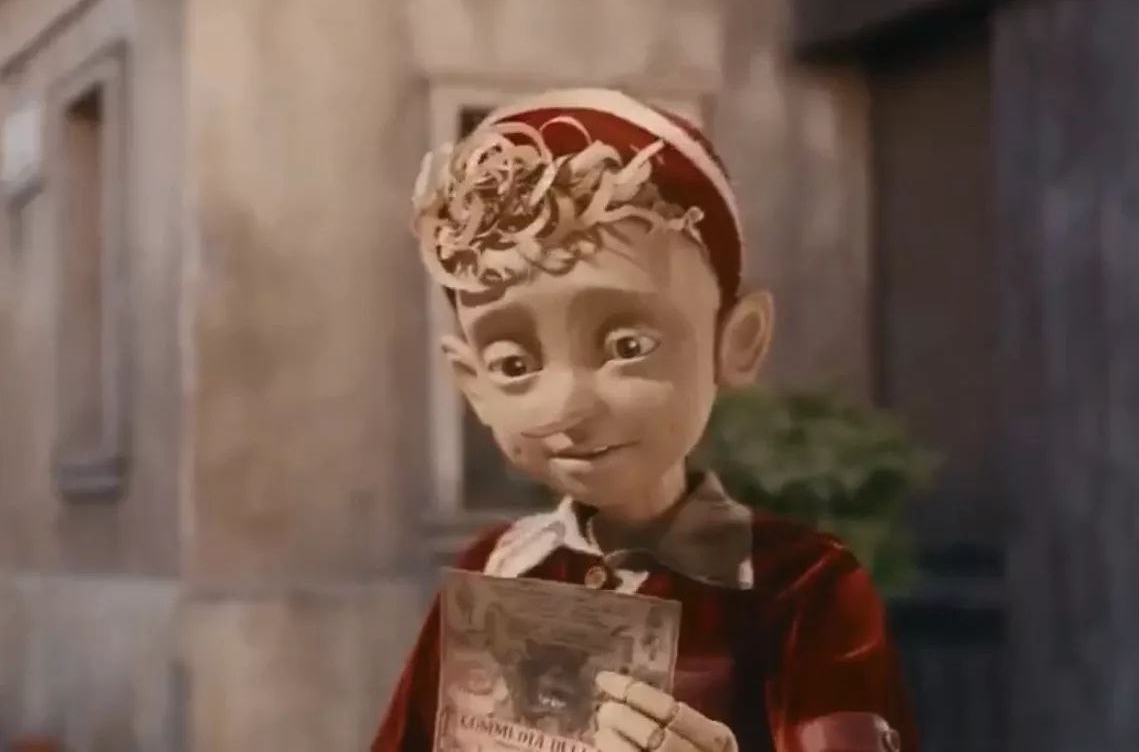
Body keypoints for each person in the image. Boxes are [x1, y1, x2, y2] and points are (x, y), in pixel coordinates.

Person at [372, 88, 918, 752]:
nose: (565, 406)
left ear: (737, 341)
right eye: (515, 363)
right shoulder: (494, 569)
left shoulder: (802, 588)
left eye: (627, 346)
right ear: (473, 383)